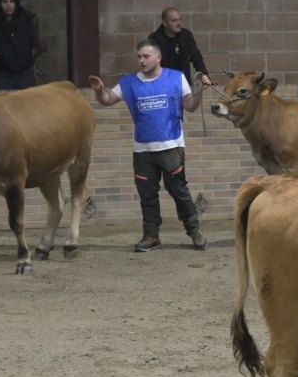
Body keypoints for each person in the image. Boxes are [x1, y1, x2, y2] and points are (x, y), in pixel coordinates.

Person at [88, 39, 208, 253]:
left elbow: (190, 106)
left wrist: (199, 91)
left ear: (158, 58)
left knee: (179, 191)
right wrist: (99, 89)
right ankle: (151, 236)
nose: (141, 61)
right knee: (147, 195)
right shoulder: (129, 82)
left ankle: (194, 232)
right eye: (139, 57)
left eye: (146, 56)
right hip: (143, 150)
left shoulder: (176, 78)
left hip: (171, 147)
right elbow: (107, 99)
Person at [0, 0, 41, 91]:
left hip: (24, 75)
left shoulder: (26, 22)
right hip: (1, 76)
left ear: (16, 3)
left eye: (11, 1)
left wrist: (27, 53)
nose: (8, 5)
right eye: (4, 2)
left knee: (25, 105)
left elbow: (38, 48)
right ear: (0, 4)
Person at [149, 7, 213, 88]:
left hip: (184, 83)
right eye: (174, 21)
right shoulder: (154, 39)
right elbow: (150, 63)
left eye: (179, 19)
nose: (179, 23)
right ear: (165, 23)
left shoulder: (186, 35)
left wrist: (204, 74)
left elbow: (196, 57)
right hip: (163, 85)